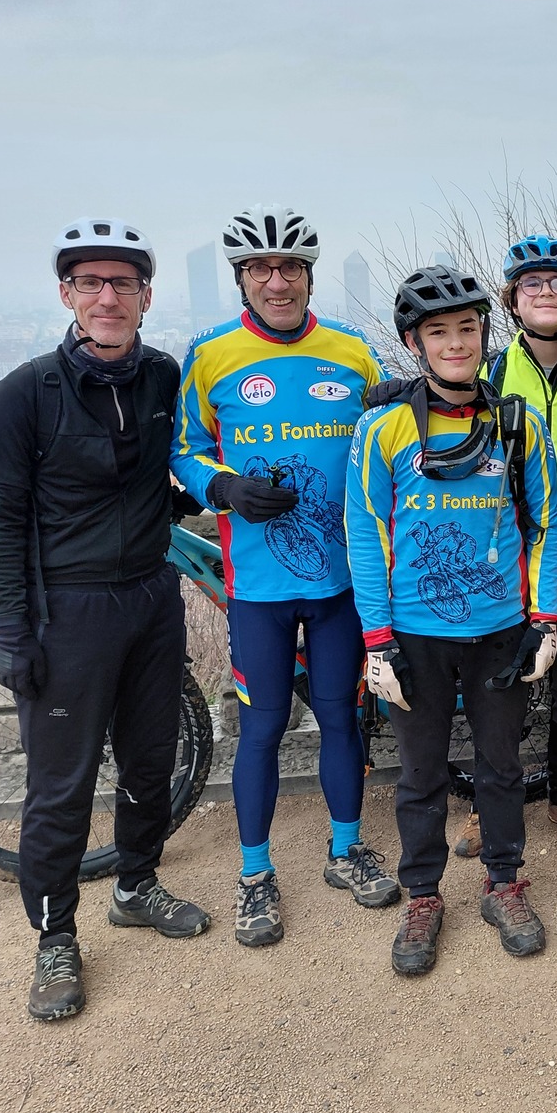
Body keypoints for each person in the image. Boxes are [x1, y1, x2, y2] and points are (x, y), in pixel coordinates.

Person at [0, 219, 210, 1021]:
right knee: (61, 787)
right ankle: (53, 936)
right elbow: (1, 520)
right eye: (91, 283)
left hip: (151, 597)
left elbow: (167, 481)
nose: (108, 297)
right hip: (66, 609)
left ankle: (137, 884)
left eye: (123, 284)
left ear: (146, 297)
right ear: (67, 296)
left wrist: (224, 496)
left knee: (150, 763)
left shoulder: (163, 378)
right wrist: (13, 634)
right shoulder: (24, 393)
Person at [174, 204, 398, 948]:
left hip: (340, 582)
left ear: (308, 274)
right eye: (261, 269)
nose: (278, 281)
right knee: (263, 729)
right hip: (258, 588)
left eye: (291, 267)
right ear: (242, 278)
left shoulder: (353, 350)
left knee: (341, 718)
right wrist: (224, 489)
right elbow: (184, 451)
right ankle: (254, 874)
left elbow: (396, 427)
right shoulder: (208, 355)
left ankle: (345, 850)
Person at [347, 265, 557, 972]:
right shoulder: (382, 428)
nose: (455, 343)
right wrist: (376, 643)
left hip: (499, 629)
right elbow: (364, 533)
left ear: (482, 333)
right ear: (415, 341)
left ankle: (504, 883)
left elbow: (547, 527)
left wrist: (545, 620)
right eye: (438, 332)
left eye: (466, 329)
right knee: (419, 773)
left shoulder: (516, 423)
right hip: (414, 634)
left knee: (501, 765)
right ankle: (423, 896)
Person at [459, 234, 557, 859]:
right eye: (532, 284)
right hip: (512, 553)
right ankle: (484, 805)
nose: (546, 292)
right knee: (496, 682)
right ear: (512, 302)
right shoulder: (493, 372)